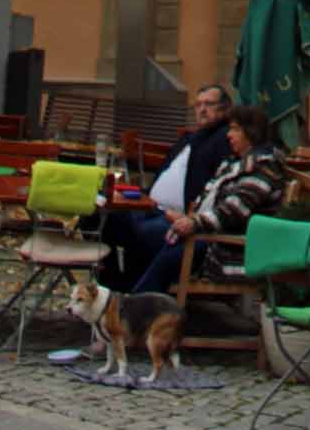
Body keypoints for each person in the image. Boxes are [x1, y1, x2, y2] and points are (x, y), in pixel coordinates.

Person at [123, 103, 285, 297]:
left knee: (151, 240)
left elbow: (234, 210)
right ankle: (130, 298)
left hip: (226, 248)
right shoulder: (236, 162)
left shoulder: (262, 166)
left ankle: (135, 307)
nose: (228, 135)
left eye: (234, 129)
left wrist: (193, 222)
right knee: (135, 230)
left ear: (251, 132)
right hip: (206, 233)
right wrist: (188, 218)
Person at [98, 83, 234, 291]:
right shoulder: (190, 139)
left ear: (224, 109)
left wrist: (187, 217)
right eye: (198, 105)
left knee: (138, 232)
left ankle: (127, 292)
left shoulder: (224, 140)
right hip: (148, 207)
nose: (202, 109)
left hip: (176, 220)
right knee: (99, 217)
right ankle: (113, 286)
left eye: (209, 104)